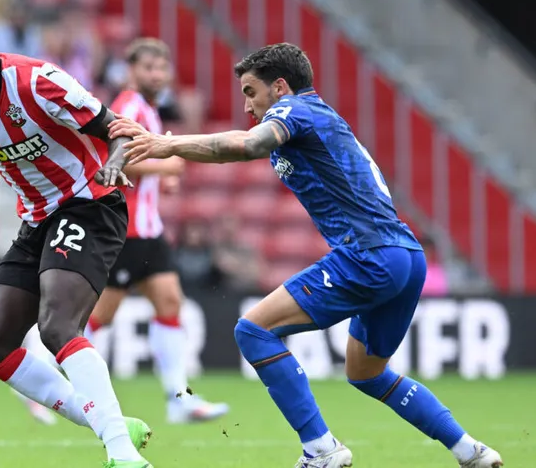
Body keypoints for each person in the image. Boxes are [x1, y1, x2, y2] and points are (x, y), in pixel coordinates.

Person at [108, 42, 503, 468]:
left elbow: (246, 144)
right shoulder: (318, 116)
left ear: (280, 87)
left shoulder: (294, 111)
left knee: (253, 331)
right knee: (366, 372)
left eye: (250, 91)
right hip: (405, 257)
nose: (246, 105)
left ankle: (321, 449)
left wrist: (170, 145)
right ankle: (471, 452)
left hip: (367, 255)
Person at [0, 11, 153, 468]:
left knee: (57, 327)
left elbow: (118, 131)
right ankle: (108, 424)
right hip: (38, 220)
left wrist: (114, 163)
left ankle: (123, 454)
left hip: (89, 203)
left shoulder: (39, 82)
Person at [83, 38, 228, 424]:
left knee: (169, 304)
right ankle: (50, 373)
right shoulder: (129, 106)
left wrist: (162, 178)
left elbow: (143, 164)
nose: (157, 75)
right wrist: (169, 166)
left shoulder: (148, 109)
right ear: (132, 71)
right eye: (149, 68)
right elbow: (116, 162)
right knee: (99, 316)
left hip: (147, 229)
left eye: (162, 69)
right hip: (126, 228)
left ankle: (179, 399)